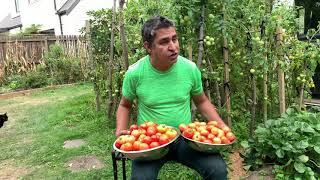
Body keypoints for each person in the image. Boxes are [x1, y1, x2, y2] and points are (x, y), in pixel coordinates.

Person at [116, 16, 228, 180]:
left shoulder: (189, 69)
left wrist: (221, 126)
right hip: (150, 143)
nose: (173, 47)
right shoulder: (135, 73)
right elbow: (125, 105)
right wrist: (120, 131)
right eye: (164, 42)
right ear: (148, 47)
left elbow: (202, 101)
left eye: (175, 39)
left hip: (185, 138)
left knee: (217, 170)